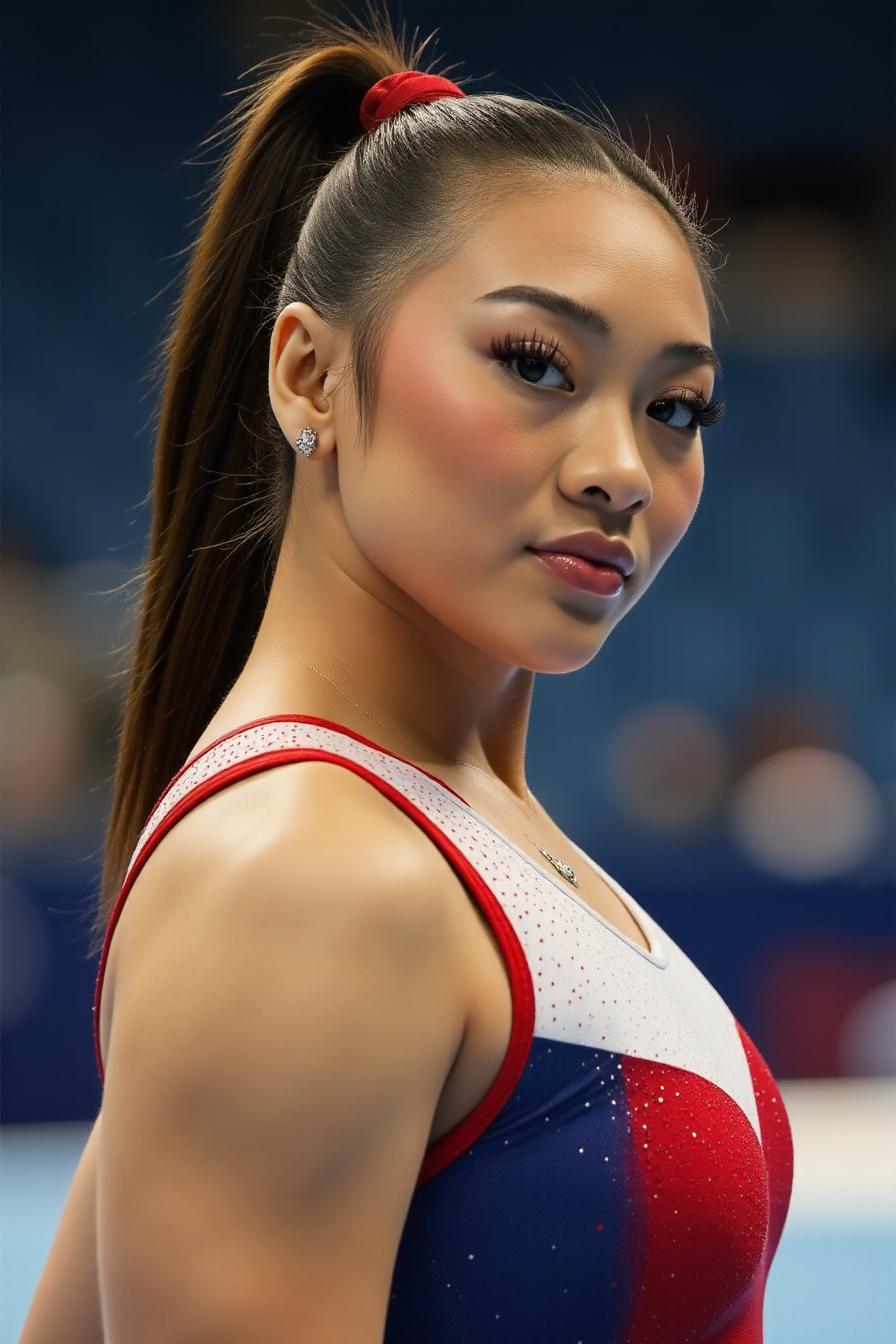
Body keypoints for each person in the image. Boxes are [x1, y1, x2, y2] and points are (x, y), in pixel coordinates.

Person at [22, 5, 793, 1341]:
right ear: (310, 373)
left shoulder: (439, 845)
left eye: (675, 406)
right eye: (536, 364)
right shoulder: (306, 875)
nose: (622, 467)